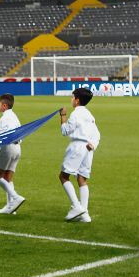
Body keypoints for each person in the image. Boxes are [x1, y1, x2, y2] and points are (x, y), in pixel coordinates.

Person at [58, 88, 100, 223]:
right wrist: (93, 145)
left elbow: (65, 131)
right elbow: (97, 134)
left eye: (72, 97)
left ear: (77, 100)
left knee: (63, 176)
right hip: (89, 148)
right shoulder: (90, 115)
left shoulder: (75, 114)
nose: (71, 100)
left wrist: (63, 116)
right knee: (82, 179)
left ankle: (76, 206)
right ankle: (85, 214)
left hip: (77, 146)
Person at [0, 93, 26, 214]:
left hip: (8, 148)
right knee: (8, 177)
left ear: (4, 105)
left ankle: (16, 198)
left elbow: (6, 135)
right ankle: (10, 207)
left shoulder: (5, 118)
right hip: (18, 148)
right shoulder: (14, 117)